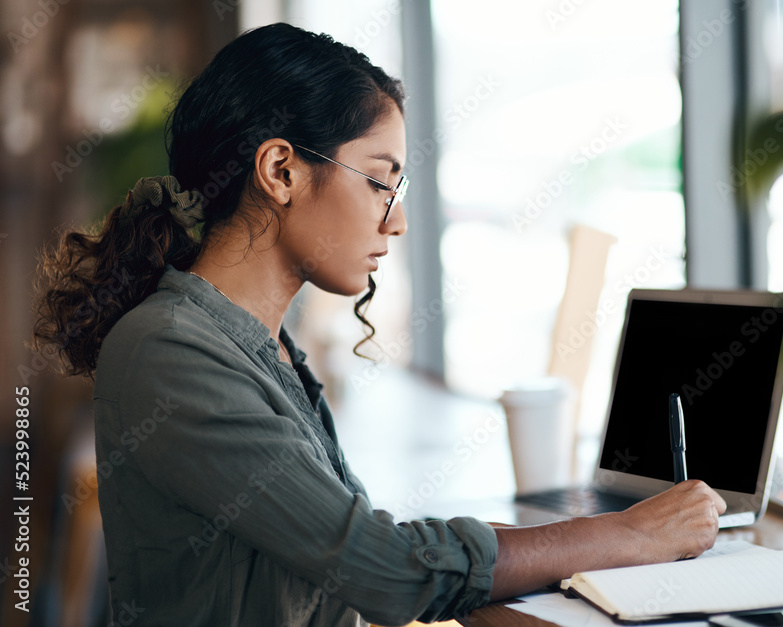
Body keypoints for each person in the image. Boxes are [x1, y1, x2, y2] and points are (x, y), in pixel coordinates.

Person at [31, 22, 726, 627]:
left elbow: (362, 548)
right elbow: (387, 570)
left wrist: (599, 536)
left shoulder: (261, 348)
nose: (394, 220)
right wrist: (625, 534)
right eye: (377, 180)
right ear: (280, 170)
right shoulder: (170, 350)